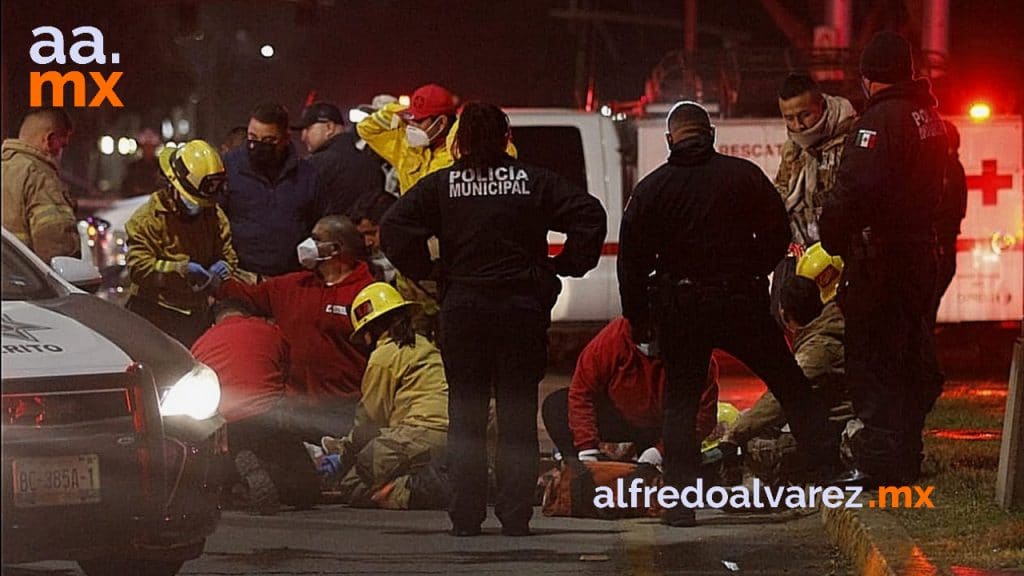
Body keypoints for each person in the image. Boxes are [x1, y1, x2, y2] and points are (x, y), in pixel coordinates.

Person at [381, 102, 606, 537]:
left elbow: (395, 226)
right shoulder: (532, 181)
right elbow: (589, 214)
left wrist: (429, 271)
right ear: (506, 139)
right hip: (521, 312)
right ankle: (515, 515)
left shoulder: (443, 185)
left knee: (465, 415)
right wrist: (565, 264)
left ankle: (466, 516)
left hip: (464, 311)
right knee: (517, 416)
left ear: (460, 141)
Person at [618, 100, 841, 527]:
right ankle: (828, 471)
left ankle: (681, 505)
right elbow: (778, 234)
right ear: (711, 135)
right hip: (740, 302)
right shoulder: (744, 177)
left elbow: (630, 262)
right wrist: (750, 271)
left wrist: (639, 319)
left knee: (680, 405)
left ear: (671, 140)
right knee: (789, 383)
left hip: (681, 309)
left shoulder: (652, 189)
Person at [819, 31, 947, 485]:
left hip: (882, 261)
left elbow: (854, 190)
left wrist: (829, 235)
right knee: (909, 354)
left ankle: (878, 464)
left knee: (872, 360)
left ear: (870, 77)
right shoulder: (927, 116)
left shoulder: (880, 122)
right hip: (918, 254)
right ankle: (906, 454)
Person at [218, 214, 375, 440]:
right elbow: (247, 295)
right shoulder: (292, 286)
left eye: (316, 238)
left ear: (336, 248)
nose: (307, 245)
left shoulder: (367, 293)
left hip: (344, 411)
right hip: (294, 410)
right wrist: (215, 283)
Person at [319, 282, 449, 510]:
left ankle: (412, 490)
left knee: (353, 483)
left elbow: (369, 420)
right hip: (453, 436)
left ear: (370, 331)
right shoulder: (425, 346)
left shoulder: (384, 355)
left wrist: (344, 455)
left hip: (416, 436)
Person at [191, 299, 320, 514]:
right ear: (248, 315)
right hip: (267, 416)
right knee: (307, 493)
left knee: (221, 469)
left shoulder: (200, 344)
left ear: (214, 323)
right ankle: (270, 473)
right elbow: (286, 377)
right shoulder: (270, 331)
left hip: (223, 425)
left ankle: (239, 474)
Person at [541, 317, 720, 466]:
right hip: (622, 416)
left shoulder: (694, 353)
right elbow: (581, 392)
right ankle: (576, 468)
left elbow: (703, 416)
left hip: (667, 427)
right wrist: (587, 450)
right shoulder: (614, 339)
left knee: (687, 471)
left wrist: (661, 451)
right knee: (557, 406)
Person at [724, 252, 851, 450]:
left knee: (760, 449)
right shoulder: (829, 327)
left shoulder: (819, 347)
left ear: (784, 313)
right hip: (838, 418)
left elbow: (781, 398)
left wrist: (734, 435)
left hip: (836, 429)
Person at [125, 140, 236, 347]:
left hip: (197, 317)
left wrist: (224, 268)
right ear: (173, 185)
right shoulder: (148, 219)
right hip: (153, 316)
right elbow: (138, 267)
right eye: (192, 200)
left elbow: (228, 255)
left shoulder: (213, 216)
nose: (197, 207)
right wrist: (179, 270)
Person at [770, 73, 857, 323]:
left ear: (822, 105)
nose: (798, 126)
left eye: (805, 115)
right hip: (799, 257)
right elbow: (784, 189)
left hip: (839, 259)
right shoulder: (793, 147)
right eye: (789, 118)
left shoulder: (850, 140)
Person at [221, 101, 331, 280]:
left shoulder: (307, 176)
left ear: (285, 138)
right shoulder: (229, 168)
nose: (258, 146)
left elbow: (320, 224)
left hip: (289, 279)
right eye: (253, 137)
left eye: (269, 140)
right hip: (240, 275)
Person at [350, 190, 440, 338]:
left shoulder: (433, 250)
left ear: (393, 222)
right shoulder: (397, 259)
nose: (368, 242)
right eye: (363, 235)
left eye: (372, 233)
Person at [2, 108, 80, 263]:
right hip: (25, 286)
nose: (61, 152)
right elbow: (56, 247)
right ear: (49, 140)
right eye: (62, 145)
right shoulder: (40, 177)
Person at [357, 83, 459, 195]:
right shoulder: (406, 148)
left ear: (441, 123)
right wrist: (397, 112)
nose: (411, 125)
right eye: (410, 118)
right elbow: (365, 129)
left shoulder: (460, 153)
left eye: (418, 121)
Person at [294, 101, 384, 216]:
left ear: (329, 127)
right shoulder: (372, 166)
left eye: (308, 129)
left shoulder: (313, 166)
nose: (303, 137)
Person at [931, 120, 967, 325]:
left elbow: (941, 208)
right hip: (944, 245)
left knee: (925, 309)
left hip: (939, 245)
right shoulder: (953, 167)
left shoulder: (946, 168)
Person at [119, 129, 163, 198]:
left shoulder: (161, 166)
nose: (148, 149)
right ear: (141, 147)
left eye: (151, 146)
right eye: (146, 146)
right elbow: (126, 189)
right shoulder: (133, 167)